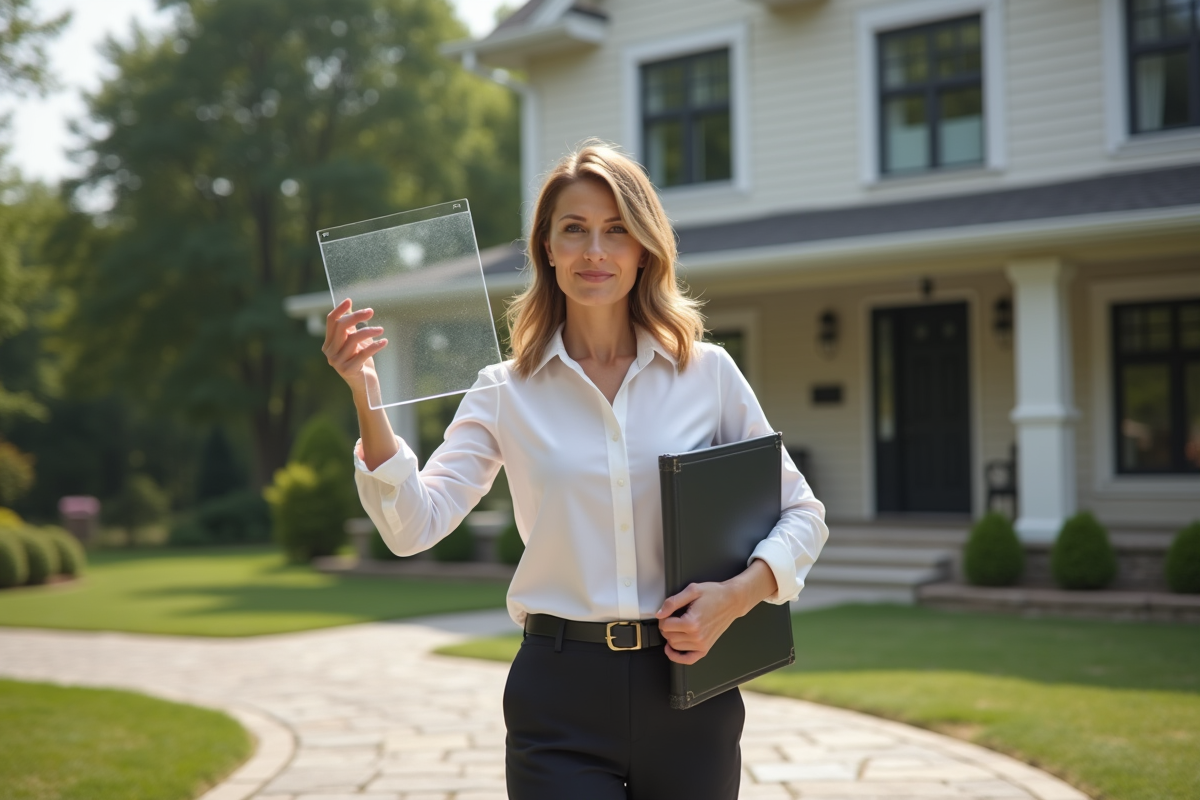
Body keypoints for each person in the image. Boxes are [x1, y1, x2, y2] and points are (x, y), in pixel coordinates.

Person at [323, 142, 827, 800]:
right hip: (557, 696)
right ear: (547, 250)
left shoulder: (707, 374)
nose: (596, 251)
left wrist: (736, 598)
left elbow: (803, 514)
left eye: (617, 230)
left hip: (690, 687)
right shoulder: (504, 390)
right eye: (575, 230)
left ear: (644, 248)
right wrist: (368, 397)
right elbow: (411, 527)